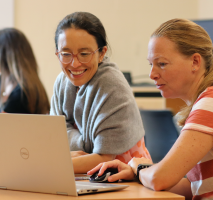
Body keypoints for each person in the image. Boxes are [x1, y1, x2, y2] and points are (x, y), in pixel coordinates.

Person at [88, 18, 213, 200]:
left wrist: (141, 168)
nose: (152, 74)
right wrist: (139, 173)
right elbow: (193, 186)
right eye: (151, 64)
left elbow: (159, 179)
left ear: (195, 62)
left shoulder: (209, 103)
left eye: (162, 64)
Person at [50, 12, 151, 174]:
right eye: (66, 54)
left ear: (101, 53)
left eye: (84, 54)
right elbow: (54, 136)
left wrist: (49, 164)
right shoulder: (61, 82)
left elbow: (104, 158)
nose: (74, 63)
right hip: (78, 174)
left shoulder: (112, 85)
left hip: (121, 177)